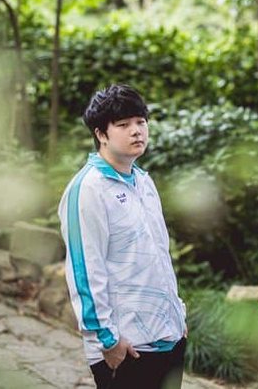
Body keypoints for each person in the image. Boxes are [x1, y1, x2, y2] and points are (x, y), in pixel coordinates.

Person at [58, 84, 187, 389]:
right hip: (126, 347)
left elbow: (159, 254)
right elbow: (85, 271)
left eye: (141, 122)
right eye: (123, 124)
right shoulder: (87, 189)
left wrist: (178, 315)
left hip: (168, 338)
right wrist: (108, 340)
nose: (136, 131)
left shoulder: (143, 181)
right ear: (101, 134)